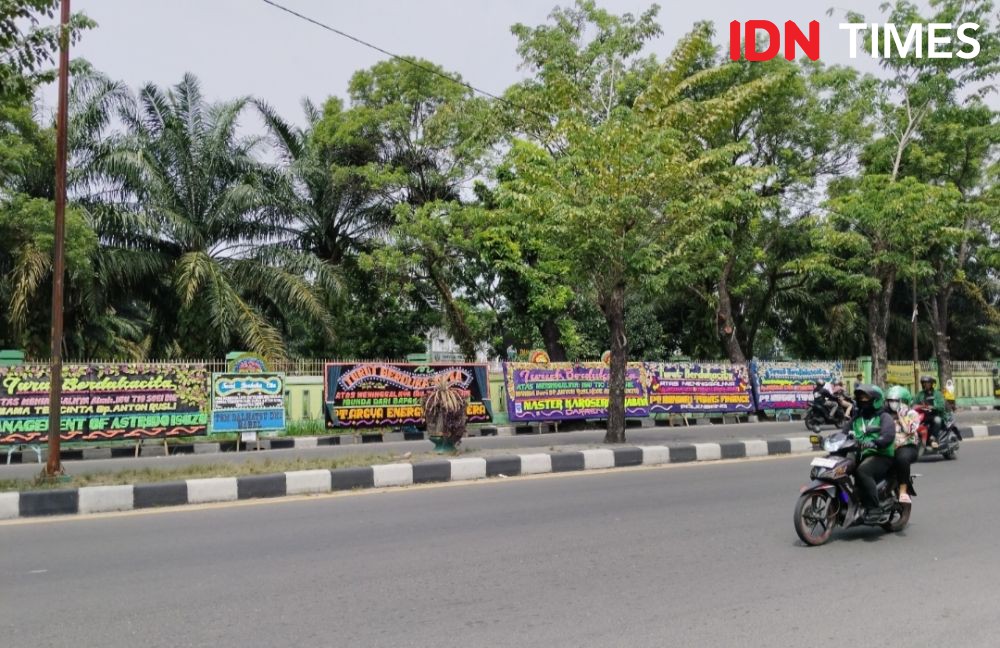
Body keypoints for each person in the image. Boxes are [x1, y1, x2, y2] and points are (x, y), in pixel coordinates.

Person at [843, 383, 895, 522]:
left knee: (863, 471)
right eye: (860, 397)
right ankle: (847, 500)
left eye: (865, 398)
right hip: (860, 453)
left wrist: (876, 442)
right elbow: (843, 433)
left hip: (880, 454)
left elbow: (888, 435)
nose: (862, 400)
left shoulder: (884, 417)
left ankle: (874, 507)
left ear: (876, 400)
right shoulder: (857, 418)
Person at [885, 385, 919, 505]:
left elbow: (909, 429)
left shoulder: (912, 414)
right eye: (890, 401)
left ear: (903, 402)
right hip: (888, 447)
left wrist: (900, 415)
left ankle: (903, 490)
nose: (892, 404)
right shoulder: (885, 415)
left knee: (902, 459)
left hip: (907, 446)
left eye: (895, 401)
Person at [918, 375, 949, 449]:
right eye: (924, 383)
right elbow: (913, 403)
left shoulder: (937, 394)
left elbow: (941, 406)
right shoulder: (920, 394)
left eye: (928, 383)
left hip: (937, 415)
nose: (926, 384)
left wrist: (933, 407)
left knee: (937, 420)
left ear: (932, 384)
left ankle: (933, 438)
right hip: (925, 416)